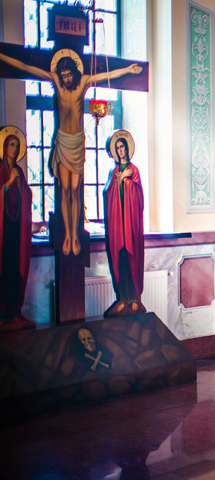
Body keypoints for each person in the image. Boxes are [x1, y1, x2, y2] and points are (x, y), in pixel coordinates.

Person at [0, 49, 142, 255]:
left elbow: (105, 75)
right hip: (62, 141)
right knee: (65, 189)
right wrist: (3, 57)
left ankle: (75, 234)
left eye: (68, 75)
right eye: (63, 75)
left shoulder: (83, 83)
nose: (66, 79)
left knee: (75, 190)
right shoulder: (57, 83)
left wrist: (128, 69)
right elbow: (27, 67)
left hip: (76, 142)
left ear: (75, 73)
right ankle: (67, 234)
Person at [102, 133, 146, 317]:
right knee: (120, 260)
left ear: (127, 149)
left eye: (122, 147)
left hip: (131, 226)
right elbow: (108, 193)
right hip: (118, 227)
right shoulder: (114, 172)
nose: (120, 150)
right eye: (118, 148)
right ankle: (123, 299)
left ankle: (134, 299)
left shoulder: (134, 171)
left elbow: (139, 198)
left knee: (132, 260)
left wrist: (127, 182)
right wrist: (120, 180)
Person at [0, 131, 33, 331]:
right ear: (5, 148)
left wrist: (21, 188)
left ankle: (14, 312)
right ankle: (2, 314)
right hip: (2, 230)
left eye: (17, 145)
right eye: (12, 145)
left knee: (15, 269)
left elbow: (26, 194)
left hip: (16, 228)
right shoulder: (1, 169)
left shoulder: (18, 170)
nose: (15, 148)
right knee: (4, 270)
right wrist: (9, 183)